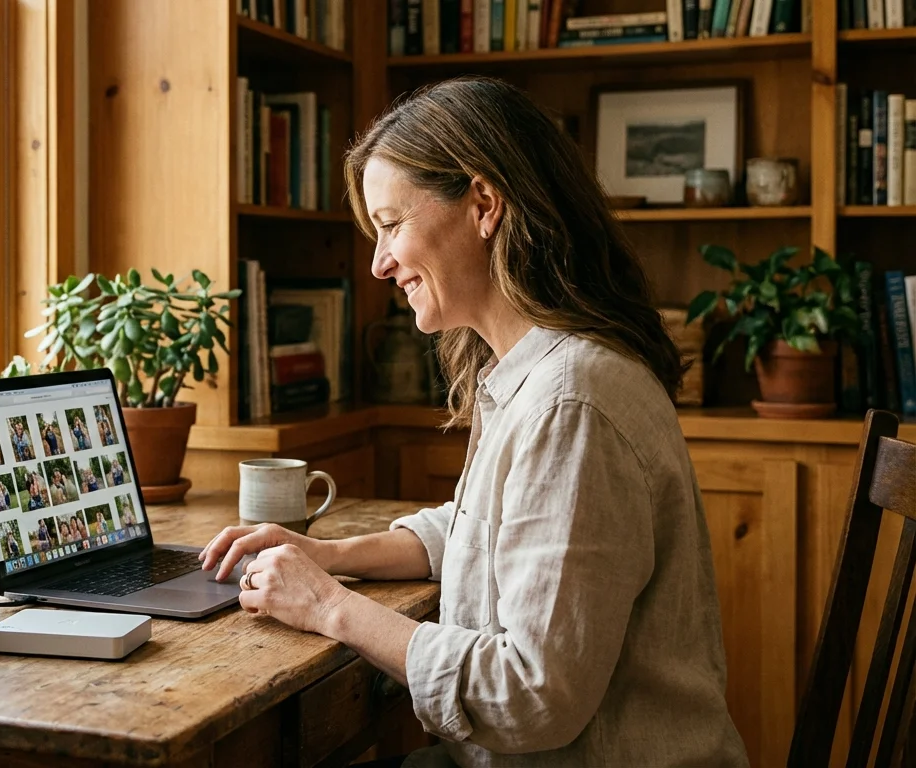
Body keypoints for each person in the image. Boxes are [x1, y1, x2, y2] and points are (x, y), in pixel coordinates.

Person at [199, 77, 745, 766]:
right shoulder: (541, 371)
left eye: (392, 224)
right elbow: (483, 527)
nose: (377, 262)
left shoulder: (571, 403)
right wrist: (330, 557)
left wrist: (329, 606)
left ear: (483, 204)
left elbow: (529, 697)